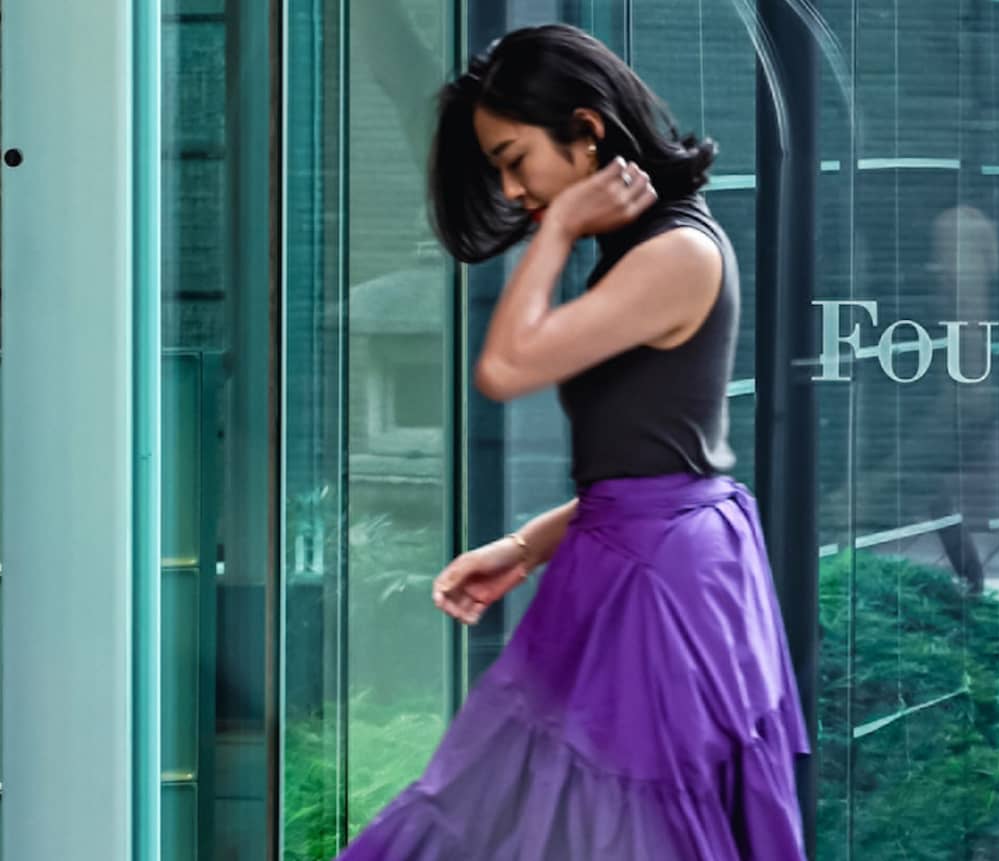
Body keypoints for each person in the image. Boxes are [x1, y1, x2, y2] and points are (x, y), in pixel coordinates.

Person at [335, 23, 809, 860]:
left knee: (603, 823)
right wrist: (524, 548)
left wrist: (556, 234)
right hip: (638, 562)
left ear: (587, 132)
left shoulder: (675, 253)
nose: (511, 189)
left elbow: (507, 366)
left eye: (514, 159)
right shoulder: (648, 247)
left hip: (657, 586)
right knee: (521, 805)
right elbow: (646, 469)